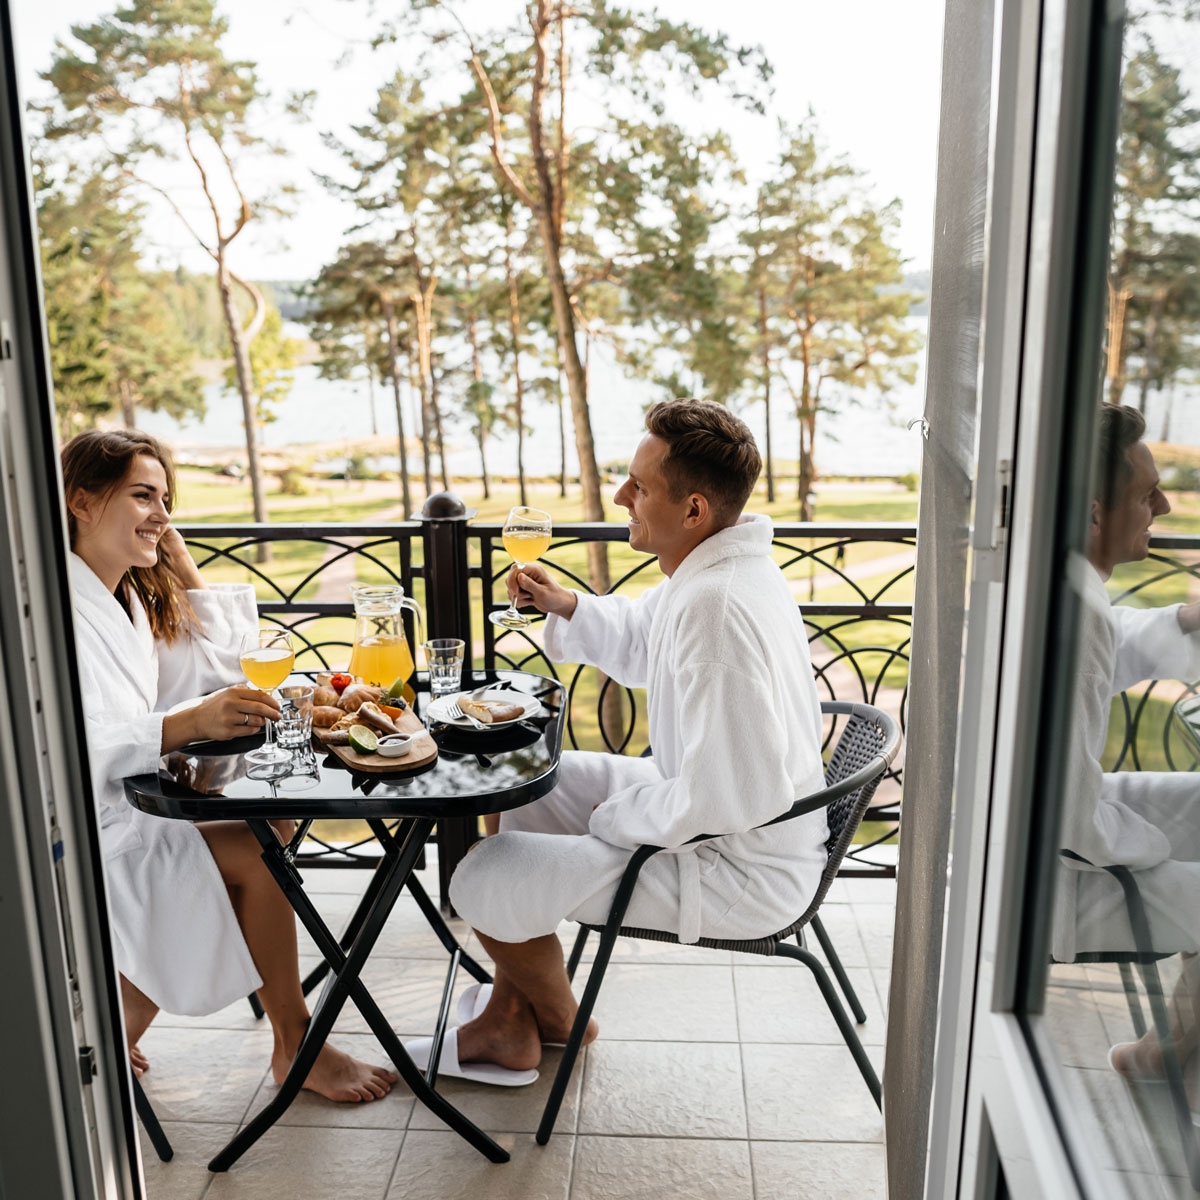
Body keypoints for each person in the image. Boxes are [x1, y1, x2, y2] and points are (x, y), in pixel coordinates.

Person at [434, 398, 830, 1082]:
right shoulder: (716, 574)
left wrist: (608, 822)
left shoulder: (718, 609)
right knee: (532, 791)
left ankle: (553, 1019)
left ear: (695, 511)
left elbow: (725, 797)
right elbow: (650, 636)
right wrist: (567, 605)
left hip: (738, 863)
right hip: (717, 813)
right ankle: (513, 1018)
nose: (621, 495)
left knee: (482, 875)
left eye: (639, 487)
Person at [64, 429, 396, 1103]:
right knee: (255, 851)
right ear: (82, 502)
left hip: (140, 807)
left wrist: (181, 567)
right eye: (142, 496)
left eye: (166, 498)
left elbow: (222, 669)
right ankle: (294, 1039)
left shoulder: (124, 598)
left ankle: (119, 1020)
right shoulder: (59, 612)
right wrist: (185, 724)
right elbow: (71, 745)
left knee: (272, 817)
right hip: (94, 838)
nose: (162, 513)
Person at [1054, 404, 1200, 1090]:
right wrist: (1162, 851)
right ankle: (1179, 1056)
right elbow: (1076, 825)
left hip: (1051, 838)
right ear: (1091, 511)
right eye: (1147, 494)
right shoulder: (1069, 614)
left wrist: (1183, 618)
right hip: (1053, 884)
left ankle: (1173, 1046)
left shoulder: (1062, 587)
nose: (1165, 505)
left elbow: (1113, 643)